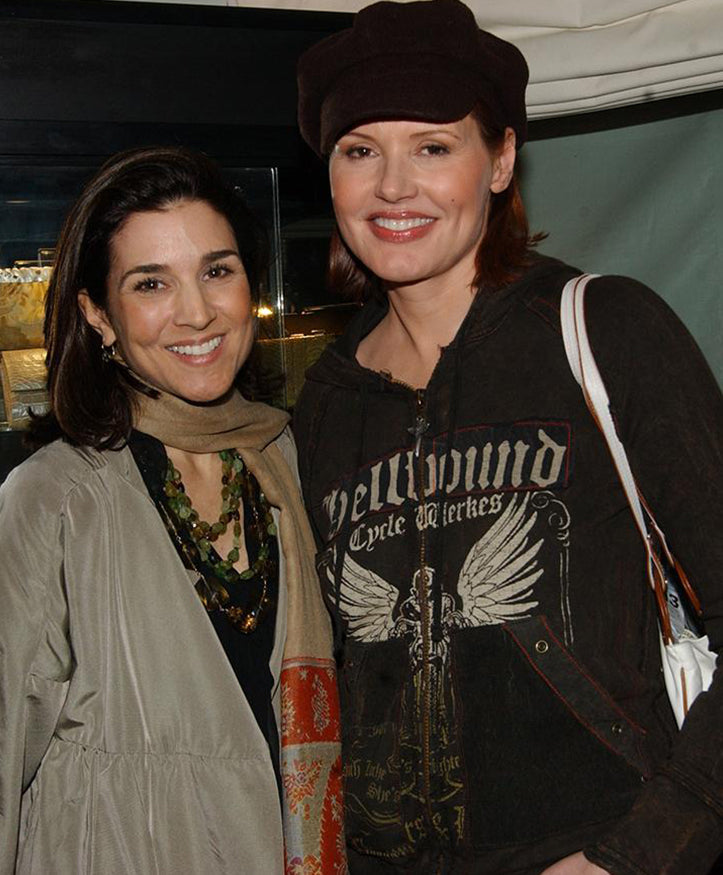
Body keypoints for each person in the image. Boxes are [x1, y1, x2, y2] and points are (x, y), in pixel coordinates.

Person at [293, 2, 723, 873]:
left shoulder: (605, 329)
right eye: (360, 150)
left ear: (500, 160)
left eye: (433, 146)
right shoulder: (323, 409)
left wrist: (640, 850)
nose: (392, 186)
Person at [0, 147, 345, 875]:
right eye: (151, 283)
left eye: (216, 270)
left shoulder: (293, 459)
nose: (196, 311)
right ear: (98, 315)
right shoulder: (55, 501)